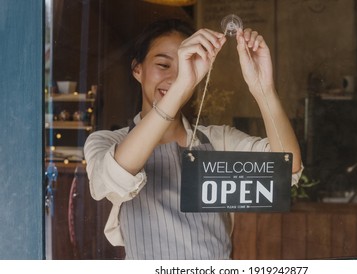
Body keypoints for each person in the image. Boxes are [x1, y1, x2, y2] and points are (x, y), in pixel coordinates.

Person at [84, 18, 303, 260]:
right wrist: (180, 88)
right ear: (138, 69)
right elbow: (115, 176)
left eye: (184, 65)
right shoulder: (105, 142)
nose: (176, 75)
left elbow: (285, 170)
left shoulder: (218, 141)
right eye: (164, 65)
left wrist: (263, 88)